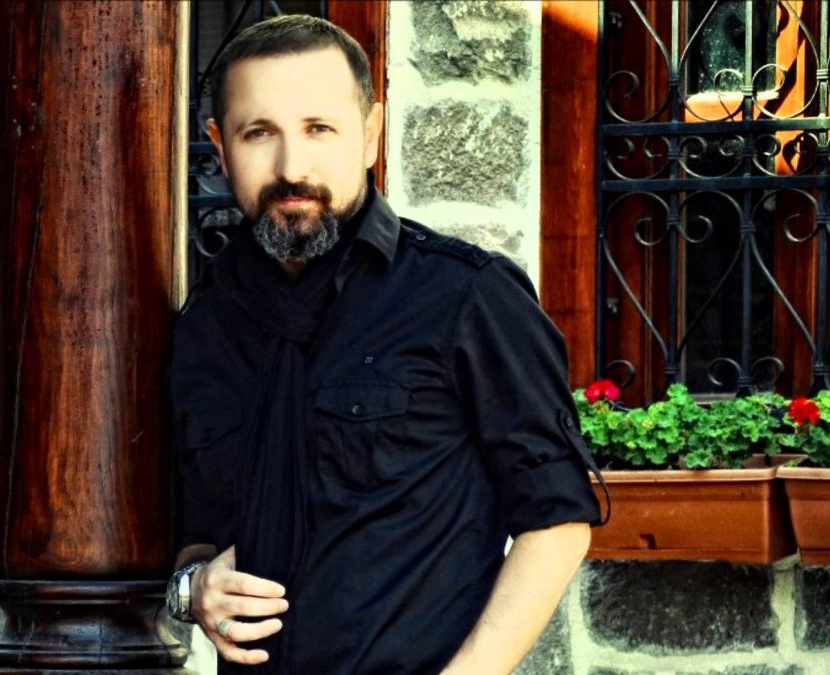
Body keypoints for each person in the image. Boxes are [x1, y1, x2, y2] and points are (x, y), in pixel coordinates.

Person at [165, 14, 609, 675]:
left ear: (371, 134)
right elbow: (197, 528)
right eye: (260, 133)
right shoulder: (204, 326)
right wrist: (194, 586)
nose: (292, 167)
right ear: (220, 147)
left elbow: (558, 518)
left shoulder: (466, 296)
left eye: (319, 128)